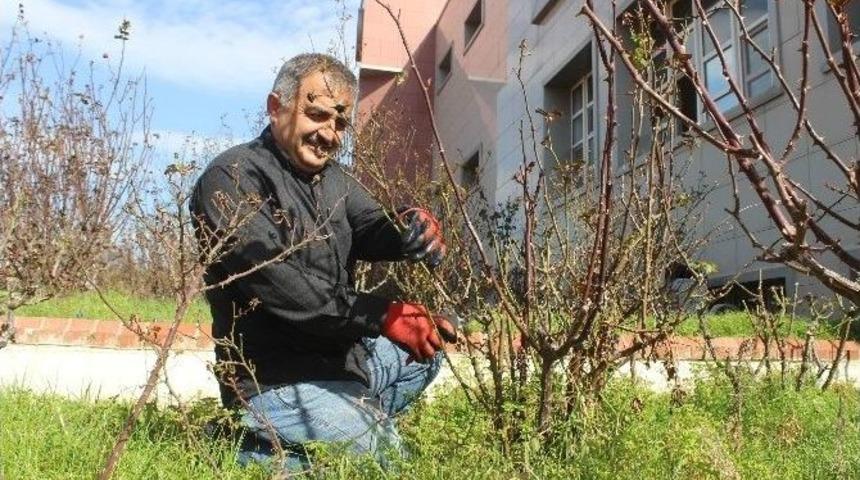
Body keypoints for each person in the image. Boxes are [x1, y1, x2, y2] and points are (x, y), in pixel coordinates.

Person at [189, 53, 455, 471]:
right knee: (386, 459)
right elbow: (276, 279)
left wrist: (409, 225)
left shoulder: (335, 180)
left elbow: (372, 226)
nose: (329, 134)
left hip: (345, 363)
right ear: (276, 107)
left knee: (430, 346)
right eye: (316, 115)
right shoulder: (232, 177)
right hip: (273, 380)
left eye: (340, 124)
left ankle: (311, 434)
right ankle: (245, 437)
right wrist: (383, 315)